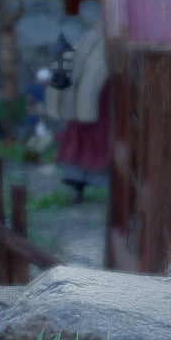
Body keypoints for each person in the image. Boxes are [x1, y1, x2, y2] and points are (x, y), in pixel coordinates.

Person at [41, 11, 108, 199]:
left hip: (95, 102)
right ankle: (78, 185)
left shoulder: (95, 37)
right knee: (86, 142)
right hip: (90, 104)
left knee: (93, 142)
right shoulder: (93, 38)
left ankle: (81, 185)